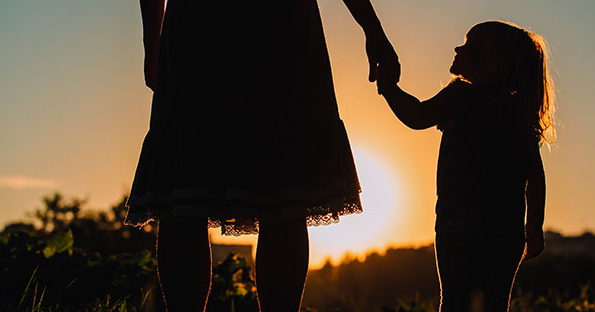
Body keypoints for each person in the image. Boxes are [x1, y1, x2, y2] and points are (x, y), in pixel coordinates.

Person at [125, 0, 398, 311]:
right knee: (268, 191)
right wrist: (373, 30)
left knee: (209, 188)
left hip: (238, 26)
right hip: (259, 26)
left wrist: (153, 41)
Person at [376, 21, 554, 311]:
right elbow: (535, 175)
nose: (458, 48)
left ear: (491, 59)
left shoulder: (461, 95)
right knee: (492, 305)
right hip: (506, 229)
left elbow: (417, 116)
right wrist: (534, 224)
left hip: (458, 220)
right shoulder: (516, 111)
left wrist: (389, 88)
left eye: (468, 44)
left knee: (456, 302)